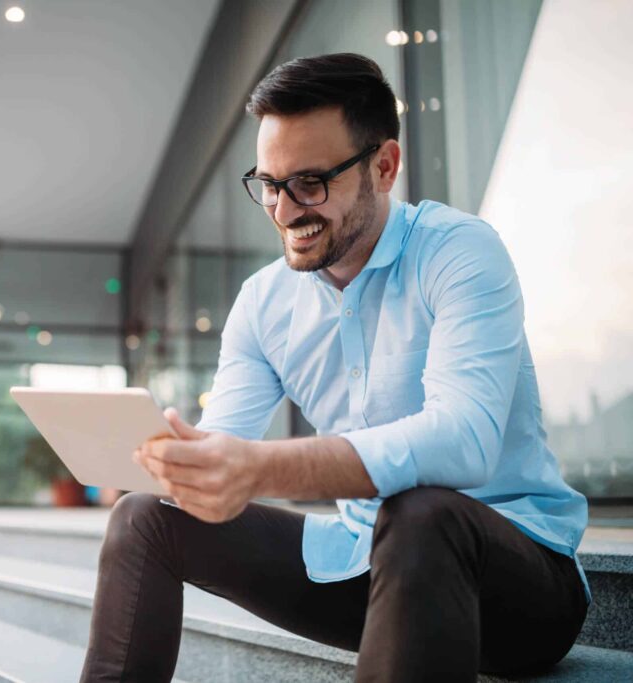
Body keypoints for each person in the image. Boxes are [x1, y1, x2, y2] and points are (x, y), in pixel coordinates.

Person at [79, 53, 591, 683]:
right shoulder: (264, 302)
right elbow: (224, 448)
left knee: (421, 511)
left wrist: (259, 467)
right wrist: (176, 465)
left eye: (310, 182)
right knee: (144, 518)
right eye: (270, 184)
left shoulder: (458, 251)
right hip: (363, 564)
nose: (284, 211)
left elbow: (464, 441)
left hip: (519, 586)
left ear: (385, 166)